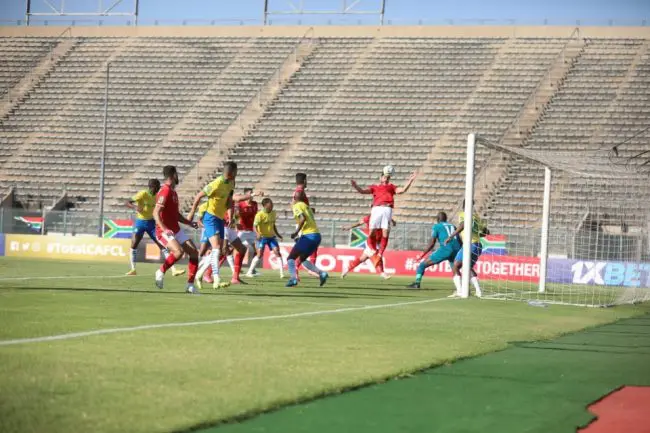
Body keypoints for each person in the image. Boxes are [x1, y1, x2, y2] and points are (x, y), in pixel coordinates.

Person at [187, 161, 257, 289]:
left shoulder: (231, 183)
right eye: (236, 171)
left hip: (220, 219)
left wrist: (230, 215)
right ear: (232, 172)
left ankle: (200, 274)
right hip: (210, 218)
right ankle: (216, 278)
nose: (237, 173)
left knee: (218, 250)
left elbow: (229, 201)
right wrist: (191, 213)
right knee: (217, 248)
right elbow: (198, 196)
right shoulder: (216, 184)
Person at [350, 169, 416, 261]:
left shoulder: (391, 187)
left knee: (385, 231)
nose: (386, 178)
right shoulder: (374, 187)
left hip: (387, 208)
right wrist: (355, 186)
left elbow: (402, 190)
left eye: (388, 177)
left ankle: (380, 254)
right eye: (384, 177)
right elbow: (362, 191)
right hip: (376, 209)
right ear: (380, 178)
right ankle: (373, 250)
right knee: (372, 232)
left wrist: (410, 180)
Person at [153, 165, 200, 294]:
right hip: (163, 231)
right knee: (178, 252)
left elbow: (176, 215)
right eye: (177, 174)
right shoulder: (165, 191)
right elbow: (155, 213)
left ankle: (190, 286)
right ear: (173, 175)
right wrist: (165, 229)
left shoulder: (173, 192)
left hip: (176, 230)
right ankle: (160, 271)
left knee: (194, 252)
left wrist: (189, 223)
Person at [124, 179, 184, 277]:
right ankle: (133, 269)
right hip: (140, 222)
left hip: (152, 223)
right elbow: (127, 202)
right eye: (157, 187)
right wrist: (135, 207)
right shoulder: (143, 194)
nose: (158, 189)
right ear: (152, 187)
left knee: (163, 246)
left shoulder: (158, 195)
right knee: (134, 243)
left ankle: (174, 270)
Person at [406, 211, 461, 289]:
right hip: (457, 249)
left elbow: (432, 243)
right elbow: (459, 240)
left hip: (445, 249)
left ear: (437, 219)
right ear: (446, 219)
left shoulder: (437, 226)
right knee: (455, 270)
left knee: (422, 265)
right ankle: (461, 289)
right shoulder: (453, 226)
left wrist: (423, 254)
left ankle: (417, 283)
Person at [444, 201, 489, 297]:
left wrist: (451, 236)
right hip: (478, 245)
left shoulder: (464, 214)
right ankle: (478, 291)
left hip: (470, 244)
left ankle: (460, 291)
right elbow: (486, 232)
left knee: (455, 265)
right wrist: (476, 233)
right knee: (467, 267)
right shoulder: (476, 218)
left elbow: (462, 225)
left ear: (463, 206)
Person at [286, 190, 328, 287]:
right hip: (317, 236)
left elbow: (302, 218)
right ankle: (321, 273)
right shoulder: (306, 206)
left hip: (308, 236)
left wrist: (296, 232)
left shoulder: (297, 206)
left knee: (290, 258)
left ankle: (293, 279)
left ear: (294, 198)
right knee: (302, 259)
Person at [340, 213, 396, 279]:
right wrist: (349, 227)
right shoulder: (369, 217)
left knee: (362, 258)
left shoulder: (384, 216)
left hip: (378, 242)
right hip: (371, 242)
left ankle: (347, 269)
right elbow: (359, 223)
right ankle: (382, 273)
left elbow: (390, 219)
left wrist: (393, 222)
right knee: (377, 255)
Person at [248, 198, 284, 278]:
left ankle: (282, 274)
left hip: (271, 237)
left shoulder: (273, 213)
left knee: (277, 252)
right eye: (270, 206)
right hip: (262, 237)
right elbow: (254, 226)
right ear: (265, 206)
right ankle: (250, 271)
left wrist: (278, 235)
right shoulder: (259, 215)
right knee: (259, 254)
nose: (271, 207)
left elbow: (273, 225)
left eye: (272, 205)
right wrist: (257, 233)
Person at [292, 172, 319, 277]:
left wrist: (309, 210)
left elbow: (297, 206)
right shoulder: (299, 193)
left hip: (306, 224)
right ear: (304, 181)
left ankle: (310, 269)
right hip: (304, 225)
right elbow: (296, 208)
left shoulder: (299, 192)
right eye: (306, 180)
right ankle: (296, 269)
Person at [237, 188, 260, 277]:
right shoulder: (240, 204)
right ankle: (236, 268)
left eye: (252, 193)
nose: (252, 194)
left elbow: (255, 218)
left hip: (251, 231)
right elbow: (237, 215)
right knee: (233, 249)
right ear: (246, 195)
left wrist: (257, 230)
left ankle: (252, 270)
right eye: (251, 193)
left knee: (258, 250)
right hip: (242, 231)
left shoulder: (255, 204)